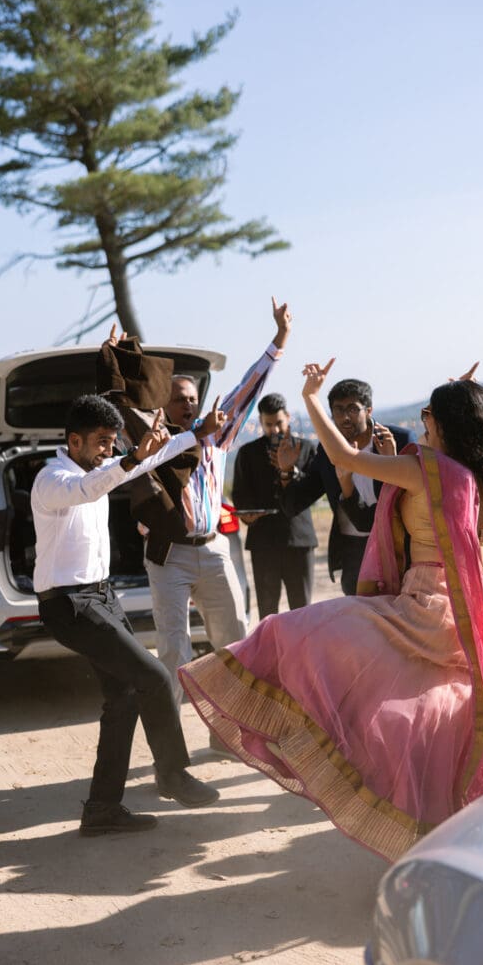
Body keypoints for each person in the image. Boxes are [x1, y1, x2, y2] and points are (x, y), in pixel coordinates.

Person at [179, 361, 483, 862]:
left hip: (422, 606)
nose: (422, 422)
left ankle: (427, 835)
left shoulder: (425, 470)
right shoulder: (479, 479)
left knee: (291, 633)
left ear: (447, 425)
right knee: (443, 720)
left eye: (428, 415)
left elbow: (343, 455)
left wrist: (309, 398)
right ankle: (454, 836)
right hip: (469, 612)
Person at [33, 394, 224, 836]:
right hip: (69, 604)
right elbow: (89, 487)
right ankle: (173, 774)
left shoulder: (100, 469)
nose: (107, 450)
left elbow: (142, 462)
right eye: (101, 442)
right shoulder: (52, 479)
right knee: (155, 677)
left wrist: (195, 434)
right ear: (74, 440)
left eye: (112, 442)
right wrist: (127, 459)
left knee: (122, 698)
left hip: (101, 597)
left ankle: (101, 809)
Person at [142, 298, 292, 707]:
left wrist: (278, 340)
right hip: (168, 555)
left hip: (212, 550)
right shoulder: (156, 443)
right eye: (178, 399)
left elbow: (249, 386)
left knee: (235, 641)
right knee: (173, 649)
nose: (187, 404)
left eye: (191, 398)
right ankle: (170, 750)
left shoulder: (217, 431)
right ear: (163, 406)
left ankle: (229, 734)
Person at [278, 377, 414, 595]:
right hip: (354, 554)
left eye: (352, 408)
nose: (344, 417)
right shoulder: (328, 451)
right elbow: (294, 504)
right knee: (358, 623)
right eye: (338, 410)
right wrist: (286, 471)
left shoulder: (398, 439)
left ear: (368, 410)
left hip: (397, 548)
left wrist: (392, 461)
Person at [232, 392, 317, 618]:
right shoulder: (247, 453)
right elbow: (240, 496)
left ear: (288, 417)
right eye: (268, 424)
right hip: (263, 544)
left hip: (298, 541)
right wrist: (246, 516)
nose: (275, 430)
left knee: (303, 612)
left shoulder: (307, 448)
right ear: (260, 422)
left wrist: (290, 473)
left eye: (278, 423)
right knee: (267, 613)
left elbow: (313, 489)